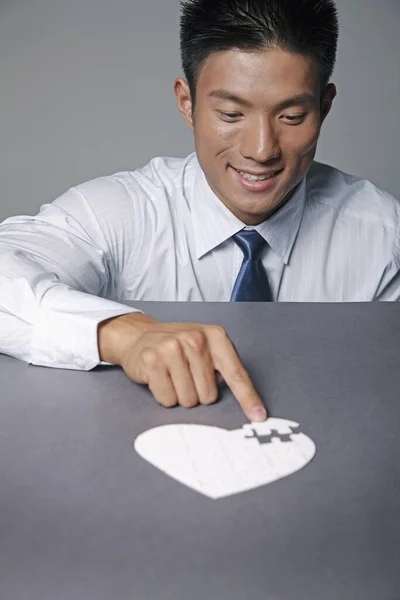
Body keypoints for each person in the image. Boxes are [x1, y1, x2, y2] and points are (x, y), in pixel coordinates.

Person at [0, 0, 399, 422]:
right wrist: (121, 332)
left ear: (326, 106)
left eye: (292, 115)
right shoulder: (122, 213)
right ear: (187, 103)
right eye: (231, 114)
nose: (261, 150)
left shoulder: (384, 237)